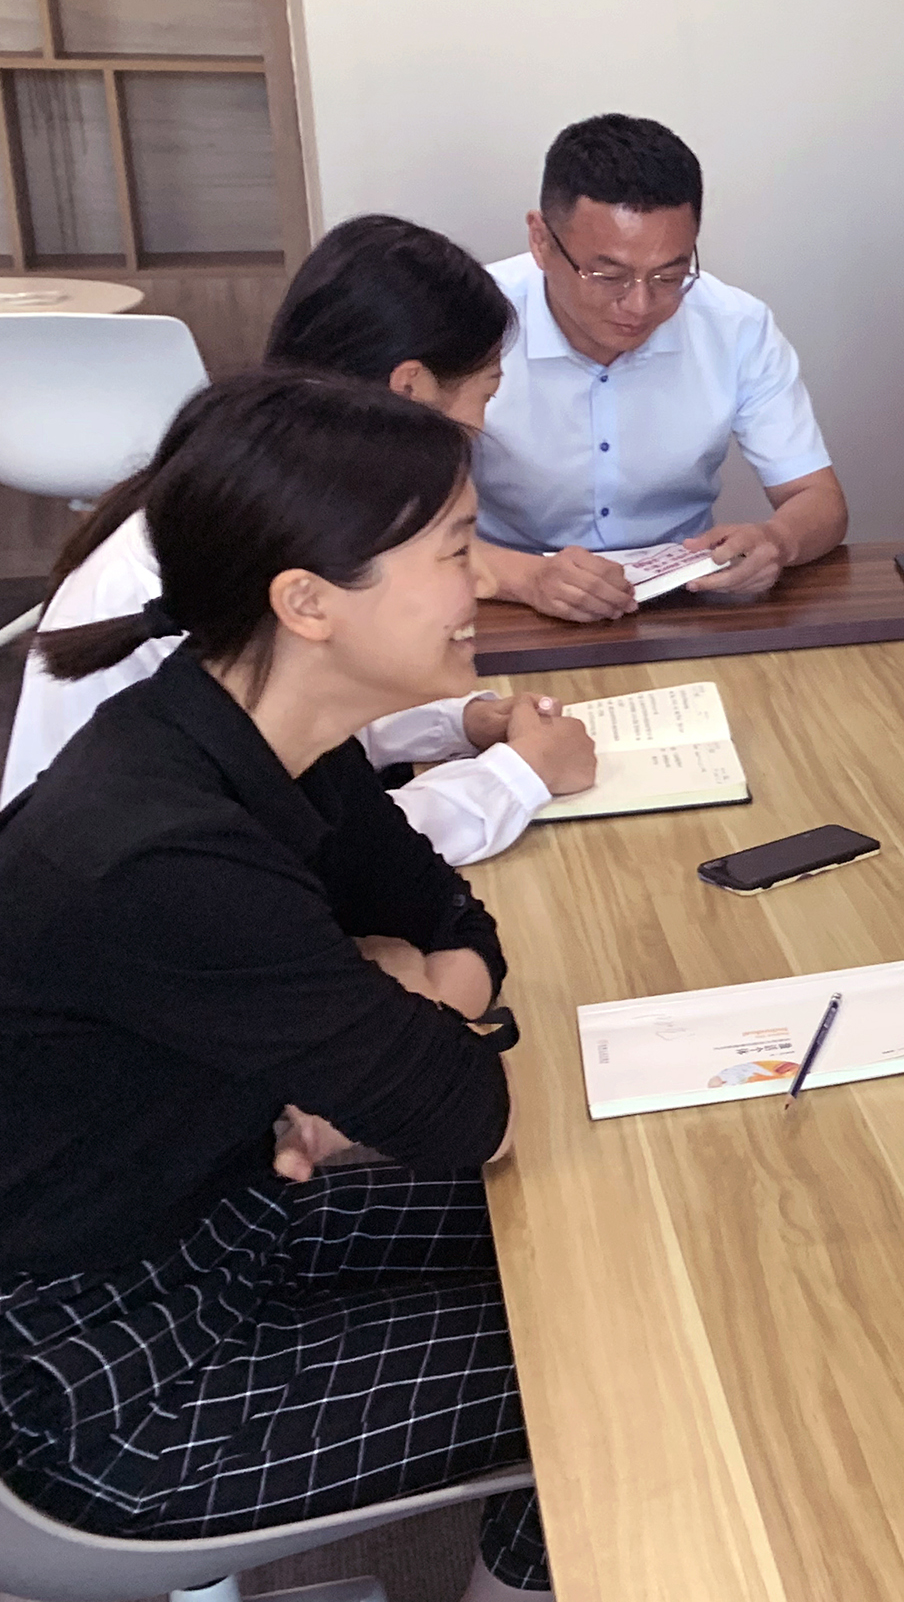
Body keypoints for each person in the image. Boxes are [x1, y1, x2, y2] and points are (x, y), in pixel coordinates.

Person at [0, 371, 553, 1601]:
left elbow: (456, 925)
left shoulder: (263, 736)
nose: (481, 580)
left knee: (595, 1232)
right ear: (307, 602)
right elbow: (470, 1108)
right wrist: (384, 1022)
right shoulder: (165, 844)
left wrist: (385, 1007)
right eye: (456, 549)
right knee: (606, 1347)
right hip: (91, 1378)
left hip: (219, 1214)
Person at [2, 214, 598, 864]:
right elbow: (301, 847)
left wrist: (457, 722)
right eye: (486, 394)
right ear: (409, 389)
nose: (479, 577)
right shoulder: (242, 545)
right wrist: (518, 778)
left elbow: (302, 721)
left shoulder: (265, 487)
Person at [472, 113, 848, 622]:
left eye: (669, 276)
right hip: (509, 599)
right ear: (540, 240)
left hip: (684, 601)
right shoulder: (467, 321)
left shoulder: (734, 325)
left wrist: (778, 541)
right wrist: (527, 578)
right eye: (608, 275)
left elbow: (818, 499)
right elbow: (397, 534)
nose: (640, 305)